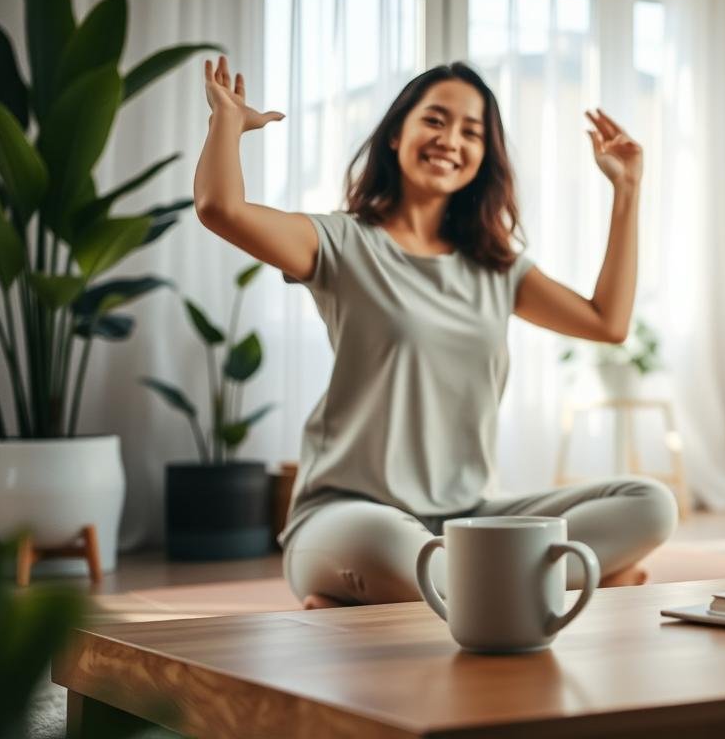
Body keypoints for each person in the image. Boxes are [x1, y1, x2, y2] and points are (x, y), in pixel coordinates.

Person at [194, 56, 678, 609]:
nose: (451, 139)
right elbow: (220, 209)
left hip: (472, 520)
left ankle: (413, 599)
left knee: (650, 504)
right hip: (349, 516)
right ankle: (554, 584)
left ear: (483, 158)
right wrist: (226, 122)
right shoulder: (342, 243)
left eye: (471, 132)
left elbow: (607, 323)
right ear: (397, 132)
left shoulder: (497, 267)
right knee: (401, 551)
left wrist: (628, 191)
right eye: (435, 120)